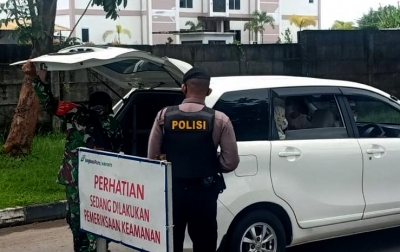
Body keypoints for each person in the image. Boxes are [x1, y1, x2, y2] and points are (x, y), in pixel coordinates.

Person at [22, 60, 124, 252]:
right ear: (108, 106)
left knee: (76, 217)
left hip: (74, 177)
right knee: (99, 217)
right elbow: (119, 150)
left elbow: (50, 103)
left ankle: (81, 248)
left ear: (90, 103)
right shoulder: (114, 124)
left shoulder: (74, 112)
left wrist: (33, 78)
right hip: (102, 181)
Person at [148, 67, 240, 252]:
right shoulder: (220, 119)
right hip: (204, 193)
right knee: (204, 244)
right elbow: (230, 162)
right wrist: (210, 162)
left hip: (172, 193)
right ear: (208, 92)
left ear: (183, 88)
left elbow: (152, 158)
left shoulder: (164, 116)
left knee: (171, 244)